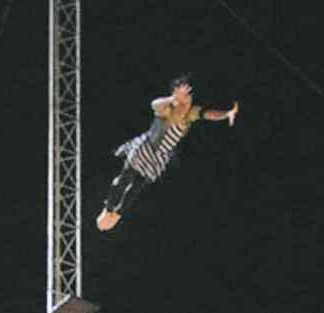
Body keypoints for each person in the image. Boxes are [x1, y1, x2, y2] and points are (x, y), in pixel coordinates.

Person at [97, 75, 239, 232]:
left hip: (159, 157)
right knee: (126, 178)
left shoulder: (191, 113)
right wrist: (172, 98)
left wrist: (226, 114)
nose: (188, 102)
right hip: (145, 148)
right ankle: (108, 208)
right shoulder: (167, 109)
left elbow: (208, 114)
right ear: (177, 97)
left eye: (189, 97)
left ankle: (118, 214)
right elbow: (154, 104)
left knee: (136, 188)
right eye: (184, 97)